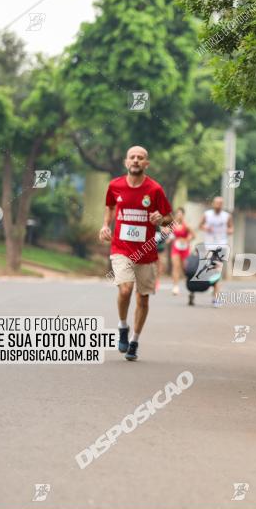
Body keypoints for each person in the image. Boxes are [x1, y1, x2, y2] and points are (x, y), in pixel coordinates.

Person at [99, 145, 173, 361]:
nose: (136, 160)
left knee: (143, 299)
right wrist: (105, 225)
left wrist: (161, 219)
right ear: (126, 162)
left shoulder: (155, 190)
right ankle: (122, 326)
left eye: (140, 158)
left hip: (146, 252)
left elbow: (169, 219)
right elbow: (110, 207)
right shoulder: (115, 185)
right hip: (121, 248)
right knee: (125, 290)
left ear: (146, 164)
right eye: (132, 157)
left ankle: (134, 340)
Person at [198, 196, 233, 307]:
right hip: (208, 246)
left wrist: (227, 230)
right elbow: (200, 225)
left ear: (222, 205)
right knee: (210, 271)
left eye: (220, 203)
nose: (218, 205)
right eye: (216, 203)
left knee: (217, 272)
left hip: (220, 246)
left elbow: (232, 229)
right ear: (213, 204)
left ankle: (216, 298)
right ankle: (214, 290)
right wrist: (206, 228)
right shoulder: (207, 214)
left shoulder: (227, 216)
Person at [166, 208, 193, 296]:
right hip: (176, 248)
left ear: (183, 215)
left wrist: (187, 239)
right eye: (177, 214)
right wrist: (169, 239)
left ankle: (190, 285)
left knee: (186, 268)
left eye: (180, 214)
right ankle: (175, 286)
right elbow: (168, 233)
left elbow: (193, 235)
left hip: (185, 249)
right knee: (175, 267)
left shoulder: (187, 226)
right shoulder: (173, 225)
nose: (179, 215)